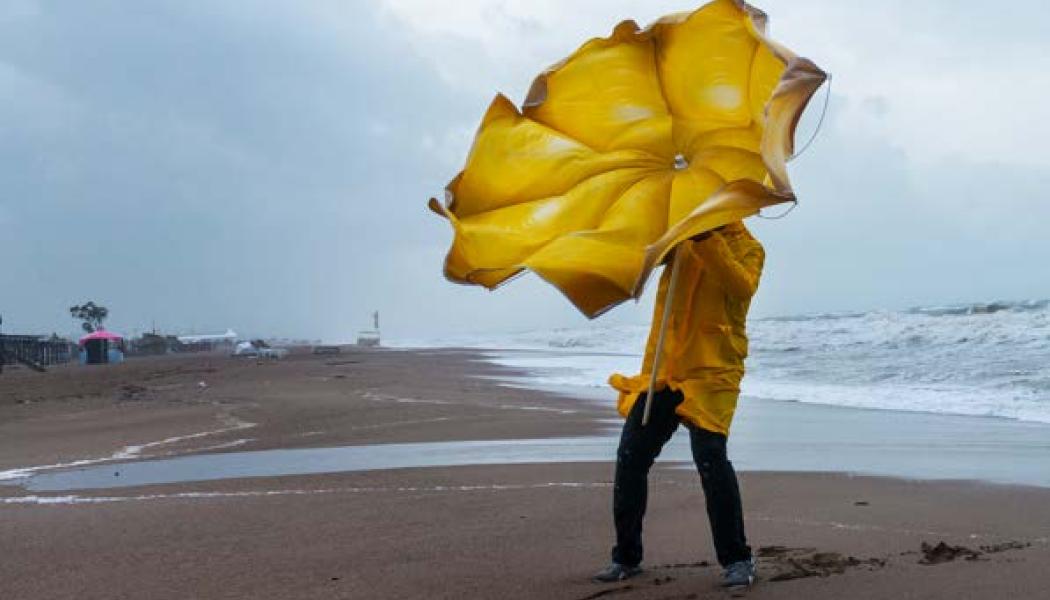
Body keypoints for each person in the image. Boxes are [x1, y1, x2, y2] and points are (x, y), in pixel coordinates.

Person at [594, 222, 764, 588]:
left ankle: (738, 559)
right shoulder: (679, 244)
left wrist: (706, 240)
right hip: (665, 372)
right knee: (630, 457)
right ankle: (626, 557)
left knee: (711, 459)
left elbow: (740, 286)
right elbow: (640, 262)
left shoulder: (748, 247)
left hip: (712, 374)